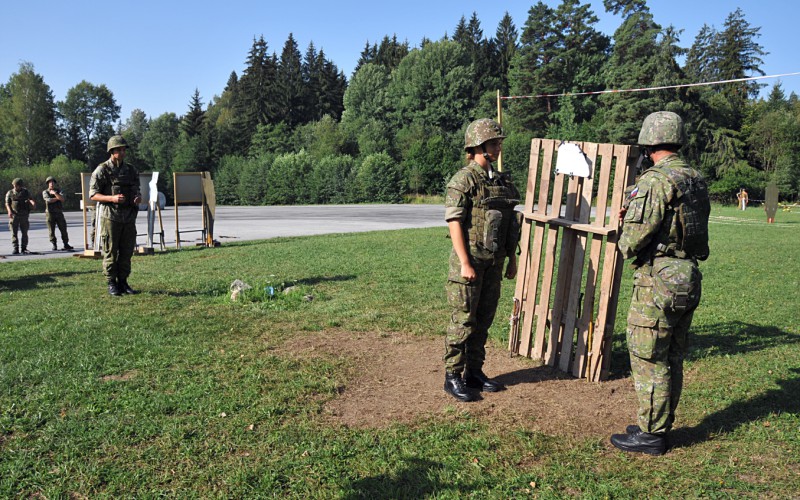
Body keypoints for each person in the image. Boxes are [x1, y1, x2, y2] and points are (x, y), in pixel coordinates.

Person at [611, 111, 710, 455]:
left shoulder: (656, 180)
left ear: (649, 141)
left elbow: (633, 239)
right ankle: (656, 423)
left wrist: (623, 229)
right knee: (672, 355)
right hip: (688, 275)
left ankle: (651, 434)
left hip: (659, 278)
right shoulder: (694, 178)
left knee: (649, 356)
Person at [443, 118, 521, 402]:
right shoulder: (464, 180)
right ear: (478, 146)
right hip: (470, 263)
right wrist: (464, 262)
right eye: (494, 143)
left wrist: (512, 258)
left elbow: (511, 223)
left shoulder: (501, 181)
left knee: (484, 320)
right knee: (463, 320)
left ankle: (474, 372)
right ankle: (452, 375)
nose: (499, 147)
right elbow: (454, 222)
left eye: (499, 143)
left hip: (494, 263)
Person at [90, 135, 142, 296]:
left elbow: (136, 188)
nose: (123, 152)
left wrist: (137, 197)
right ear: (112, 151)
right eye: (119, 149)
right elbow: (93, 195)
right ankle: (111, 283)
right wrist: (111, 198)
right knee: (111, 251)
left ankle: (123, 282)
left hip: (128, 217)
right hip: (110, 217)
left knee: (126, 251)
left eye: (124, 149)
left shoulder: (131, 170)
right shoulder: (102, 170)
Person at [42, 176, 74, 251]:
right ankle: (54, 244)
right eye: (50, 182)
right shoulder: (45, 192)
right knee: (51, 230)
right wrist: (58, 198)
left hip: (59, 213)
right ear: (48, 183)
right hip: (50, 213)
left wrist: (55, 194)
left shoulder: (59, 191)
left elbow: (62, 199)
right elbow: (48, 200)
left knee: (63, 229)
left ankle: (66, 244)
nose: (51, 183)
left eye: (53, 182)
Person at [5, 178, 36, 254]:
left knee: (24, 232)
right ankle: (16, 248)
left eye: (16, 185)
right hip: (14, 215)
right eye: (14, 185)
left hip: (24, 215)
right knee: (14, 232)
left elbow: (31, 199)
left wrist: (32, 203)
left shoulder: (26, 192)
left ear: (20, 186)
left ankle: (24, 248)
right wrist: (9, 211)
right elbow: (7, 203)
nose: (15, 187)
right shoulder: (10, 193)